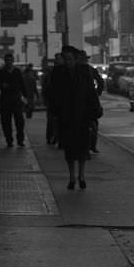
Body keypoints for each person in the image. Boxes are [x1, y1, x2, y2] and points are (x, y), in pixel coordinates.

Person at [47, 45, 100, 189]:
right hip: (66, 116)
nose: (67, 61)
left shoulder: (84, 71)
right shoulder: (58, 72)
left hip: (82, 115)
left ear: (75, 59)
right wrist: (55, 112)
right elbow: (53, 93)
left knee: (82, 148)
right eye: (66, 59)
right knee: (69, 148)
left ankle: (81, 176)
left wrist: (95, 111)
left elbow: (91, 92)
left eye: (70, 59)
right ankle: (71, 177)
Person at [0, 53, 26, 147]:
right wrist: (2, 85)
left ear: (12, 61)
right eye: (7, 60)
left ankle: (20, 140)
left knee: (19, 121)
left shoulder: (17, 72)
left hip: (16, 98)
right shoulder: (1, 72)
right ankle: (9, 140)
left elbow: (22, 84)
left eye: (10, 60)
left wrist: (25, 96)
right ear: (5, 61)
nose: (9, 62)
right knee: (6, 121)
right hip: (5, 99)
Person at [78, 50, 104, 153]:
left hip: (81, 100)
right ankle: (92, 145)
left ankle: (87, 145)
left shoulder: (76, 70)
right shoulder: (90, 69)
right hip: (91, 100)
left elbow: (100, 82)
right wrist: (97, 93)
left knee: (85, 124)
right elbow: (100, 82)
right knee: (93, 124)